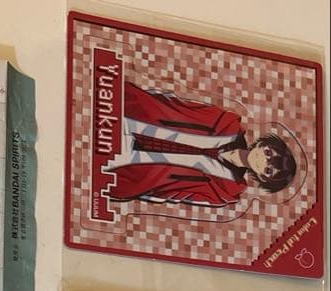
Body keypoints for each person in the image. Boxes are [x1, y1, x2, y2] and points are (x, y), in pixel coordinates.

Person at [107, 82, 297, 208]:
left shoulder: (226, 191)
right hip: (135, 120)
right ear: (263, 144)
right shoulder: (227, 123)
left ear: (263, 178)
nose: (262, 161)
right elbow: (181, 105)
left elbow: (176, 195)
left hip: (132, 169)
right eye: (268, 153)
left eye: (268, 170)